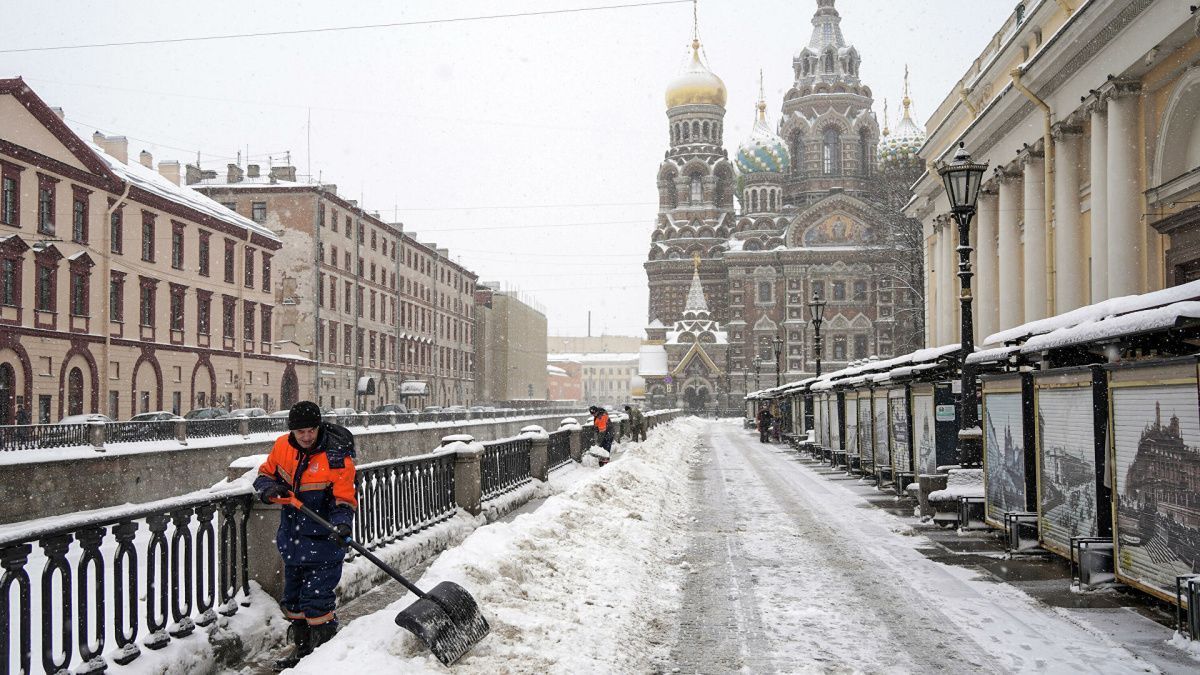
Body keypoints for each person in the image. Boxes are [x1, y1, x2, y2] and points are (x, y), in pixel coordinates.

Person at [253, 401, 358, 670]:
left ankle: (323, 659)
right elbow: (264, 475)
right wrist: (269, 489)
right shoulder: (282, 447)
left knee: (317, 602)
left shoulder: (336, 456)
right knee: (294, 601)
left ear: (319, 426)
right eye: (301, 433)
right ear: (292, 432)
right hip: (293, 541)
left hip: (324, 543)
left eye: (311, 430)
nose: (307, 437)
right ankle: (301, 654)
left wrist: (342, 525)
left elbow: (343, 500)